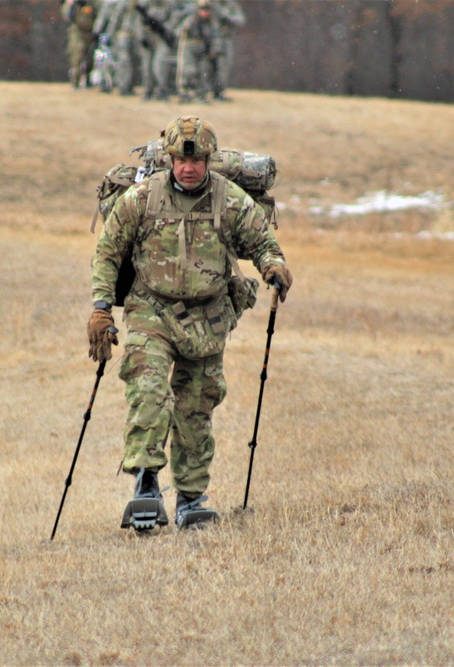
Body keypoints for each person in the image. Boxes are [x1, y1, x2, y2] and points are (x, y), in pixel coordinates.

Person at [87, 116, 293, 531]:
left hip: (207, 316)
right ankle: (146, 487)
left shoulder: (231, 200)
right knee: (147, 390)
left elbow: (262, 242)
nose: (188, 167)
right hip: (152, 309)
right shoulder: (142, 198)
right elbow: (108, 250)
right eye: (181, 160)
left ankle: (191, 497)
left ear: (208, 159)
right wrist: (102, 307)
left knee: (196, 405)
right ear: (169, 159)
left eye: (197, 159)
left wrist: (273, 266)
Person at [172, 0, 222, 103]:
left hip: (204, 50)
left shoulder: (212, 23)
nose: (204, 12)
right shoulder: (191, 20)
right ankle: (185, 94)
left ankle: (201, 95)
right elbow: (178, 32)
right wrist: (184, 32)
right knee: (188, 71)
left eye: (206, 10)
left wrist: (214, 50)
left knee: (203, 73)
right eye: (202, 10)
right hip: (190, 47)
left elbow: (216, 38)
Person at [210, 0, 244, 100]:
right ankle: (201, 91)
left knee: (223, 66)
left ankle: (219, 92)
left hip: (224, 39)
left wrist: (226, 16)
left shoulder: (230, 5)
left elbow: (240, 20)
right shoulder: (208, 3)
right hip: (207, 38)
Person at [61, 0, 99, 89]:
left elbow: (98, 15)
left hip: (91, 33)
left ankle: (88, 80)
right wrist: (73, 5)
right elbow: (67, 16)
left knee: (91, 57)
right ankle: (75, 82)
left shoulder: (93, 3)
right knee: (77, 56)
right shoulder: (72, 4)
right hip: (77, 32)